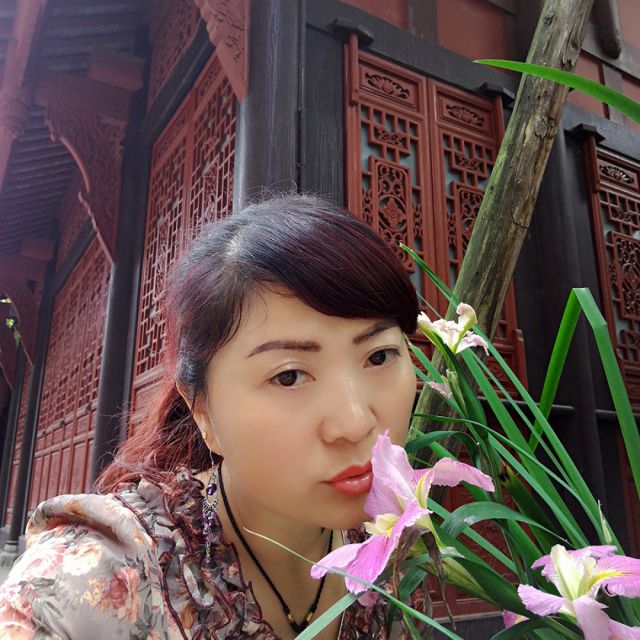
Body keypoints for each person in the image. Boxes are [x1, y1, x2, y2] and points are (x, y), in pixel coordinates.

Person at [0, 194, 419, 639]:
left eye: (379, 356)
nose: (355, 423)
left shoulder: (396, 537)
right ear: (201, 409)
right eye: (289, 376)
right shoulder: (97, 578)